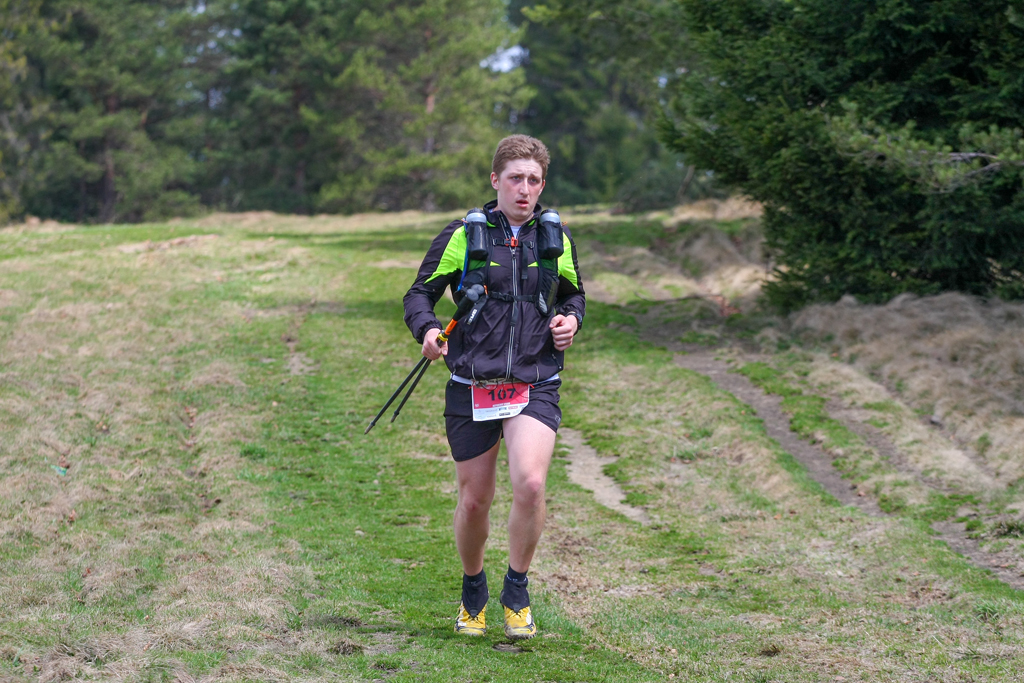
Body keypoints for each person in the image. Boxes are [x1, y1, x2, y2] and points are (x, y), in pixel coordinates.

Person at [403, 135, 585, 640]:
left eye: (533, 180)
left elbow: (574, 295)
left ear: (542, 185)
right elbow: (419, 294)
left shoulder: (555, 237)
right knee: (474, 500)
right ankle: (472, 588)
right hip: (472, 382)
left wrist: (570, 320)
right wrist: (428, 331)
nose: (524, 189)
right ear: (495, 180)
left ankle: (517, 589)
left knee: (531, 484)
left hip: (534, 379)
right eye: (515, 179)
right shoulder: (465, 234)